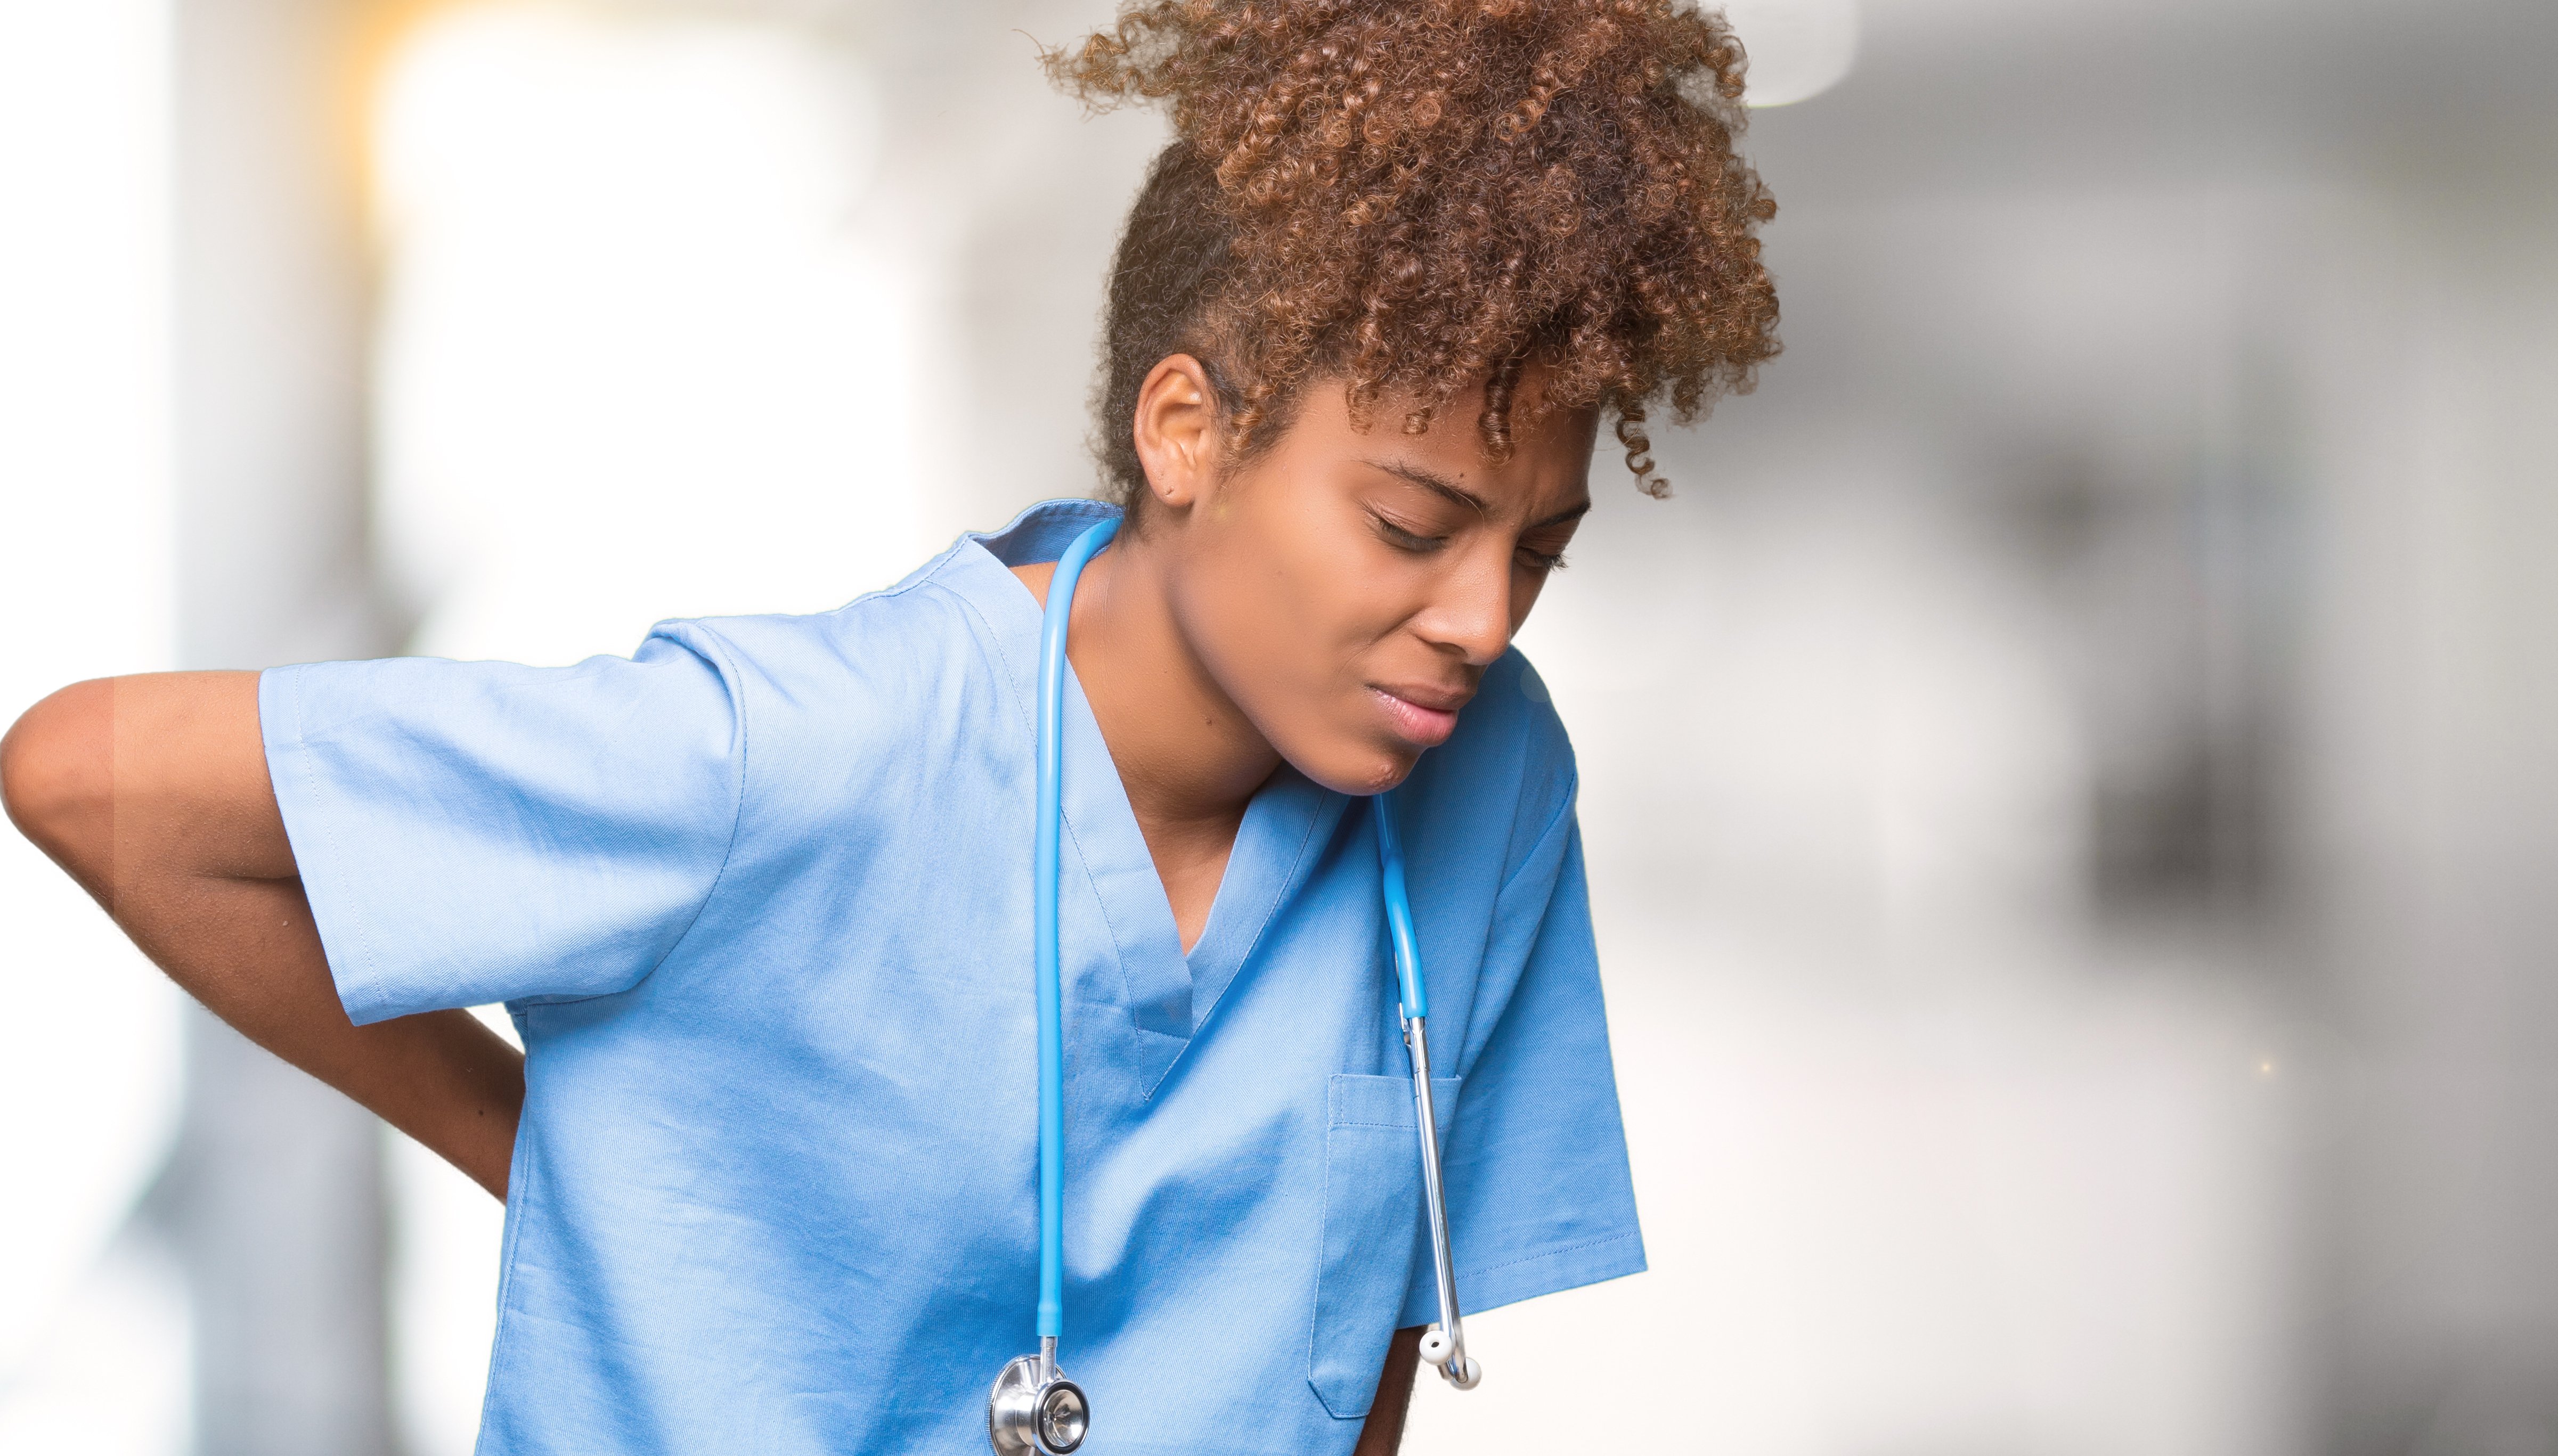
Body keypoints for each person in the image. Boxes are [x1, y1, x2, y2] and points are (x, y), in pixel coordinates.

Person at [0, 0, 1779, 1450]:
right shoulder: (795, 752)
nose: (1478, 618)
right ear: (1185, 434)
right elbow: (89, 779)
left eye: (1536, 549)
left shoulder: (1490, 780)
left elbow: (1367, 1335)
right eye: (1409, 527)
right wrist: (538, 1145)